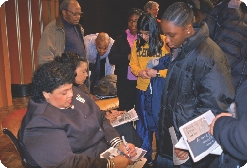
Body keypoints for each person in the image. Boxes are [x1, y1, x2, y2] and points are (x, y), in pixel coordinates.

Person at [157, 2, 235, 167]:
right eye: (164, 35)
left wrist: (188, 143)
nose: (167, 40)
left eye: (171, 35)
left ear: (187, 29)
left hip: (189, 152)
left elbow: (215, 106)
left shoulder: (209, 56)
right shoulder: (181, 49)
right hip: (171, 143)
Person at [18, 61, 136, 167]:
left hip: (98, 150)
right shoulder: (40, 123)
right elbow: (68, 164)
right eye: (64, 92)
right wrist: (111, 164)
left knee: (128, 132)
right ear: (46, 94)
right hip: (85, 160)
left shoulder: (69, 94)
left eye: (71, 88)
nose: (70, 94)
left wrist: (118, 143)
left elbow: (99, 117)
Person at [54, 51, 142, 147]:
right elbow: (81, 120)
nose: (86, 75)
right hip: (90, 132)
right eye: (83, 71)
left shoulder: (81, 87)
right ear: (72, 71)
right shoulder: (67, 95)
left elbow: (91, 110)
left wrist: (108, 113)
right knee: (126, 129)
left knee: (126, 126)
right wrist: (103, 118)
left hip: (97, 122)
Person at [129, 13, 170, 164]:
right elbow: (133, 64)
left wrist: (157, 73)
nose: (144, 37)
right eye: (141, 33)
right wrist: (139, 71)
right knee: (143, 125)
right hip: (142, 89)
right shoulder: (136, 44)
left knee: (160, 124)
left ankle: (161, 158)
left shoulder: (165, 42)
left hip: (159, 91)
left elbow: (173, 68)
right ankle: (144, 159)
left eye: (147, 33)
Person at [204, 0, 247, 93]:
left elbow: (227, 59)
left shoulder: (233, 13)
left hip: (226, 87)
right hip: (224, 83)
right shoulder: (223, 8)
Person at [108, 8, 143, 111]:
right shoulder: (121, 39)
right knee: (126, 111)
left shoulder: (145, 38)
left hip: (142, 81)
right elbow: (112, 58)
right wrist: (127, 57)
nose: (132, 24)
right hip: (125, 83)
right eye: (130, 20)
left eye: (136, 20)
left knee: (141, 112)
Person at [37, 0, 86, 65]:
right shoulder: (52, 29)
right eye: (75, 14)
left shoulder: (79, 28)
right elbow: (45, 58)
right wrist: (57, 74)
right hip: (64, 74)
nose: (78, 17)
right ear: (64, 13)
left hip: (80, 73)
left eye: (79, 14)